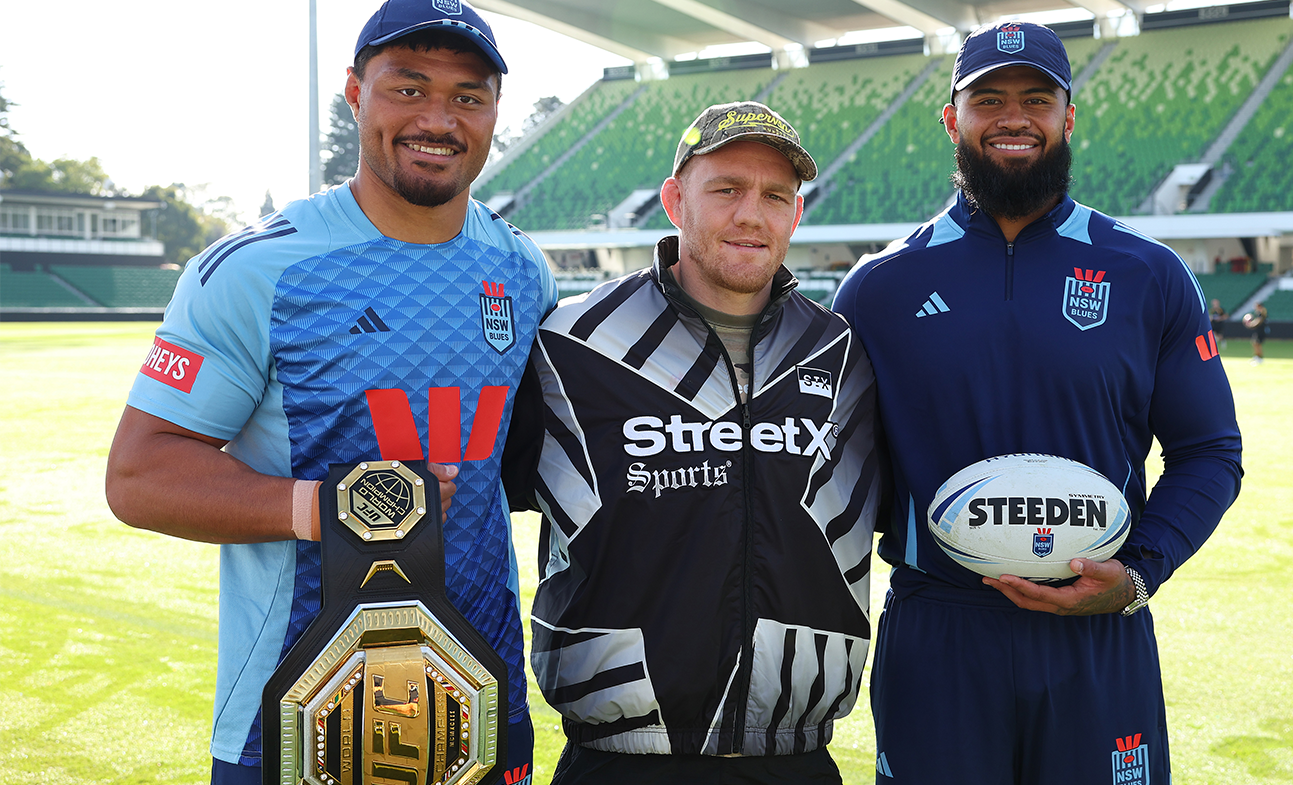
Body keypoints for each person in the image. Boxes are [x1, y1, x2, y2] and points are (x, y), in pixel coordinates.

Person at [104, 1, 555, 782]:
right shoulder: (259, 269)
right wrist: (329, 508)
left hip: (480, 701)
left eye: (468, 96)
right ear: (354, 92)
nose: (439, 119)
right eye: (407, 89)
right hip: (298, 713)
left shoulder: (524, 269)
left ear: (494, 113)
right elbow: (139, 475)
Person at [832, 22, 1243, 785]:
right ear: (954, 120)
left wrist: (1140, 571)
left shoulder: (1148, 273)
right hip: (939, 628)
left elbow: (1209, 450)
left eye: (1036, 99)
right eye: (988, 99)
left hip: (1096, 630)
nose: (1013, 117)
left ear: (1068, 117)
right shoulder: (878, 286)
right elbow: (830, 474)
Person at [504, 102, 885, 783]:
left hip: (795, 758)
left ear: (796, 216)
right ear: (675, 199)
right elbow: (478, 500)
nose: (751, 214)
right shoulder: (572, 346)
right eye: (726, 189)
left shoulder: (844, 354)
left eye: (775, 196)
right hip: (620, 760)